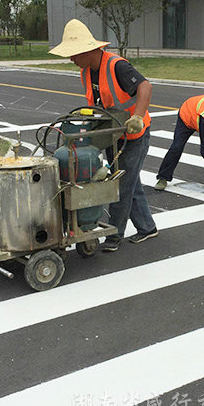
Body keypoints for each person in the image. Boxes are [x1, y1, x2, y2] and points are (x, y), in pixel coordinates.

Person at [49, 19, 157, 252]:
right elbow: (98, 105)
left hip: (134, 133)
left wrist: (137, 117)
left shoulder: (117, 66)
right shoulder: (87, 72)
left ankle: (114, 235)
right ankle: (148, 227)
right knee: (130, 181)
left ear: (88, 51)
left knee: (121, 184)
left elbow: (145, 87)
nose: (71, 59)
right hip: (112, 132)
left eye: (74, 54)